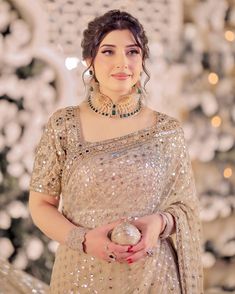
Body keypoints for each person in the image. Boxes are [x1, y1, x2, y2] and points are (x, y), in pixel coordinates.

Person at [29, 9, 204, 294]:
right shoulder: (64, 125)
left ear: (142, 58)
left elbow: (185, 208)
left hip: (155, 277)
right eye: (108, 51)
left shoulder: (167, 130)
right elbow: (41, 205)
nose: (123, 63)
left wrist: (158, 223)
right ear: (90, 60)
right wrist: (83, 240)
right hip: (80, 274)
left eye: (133, 52)